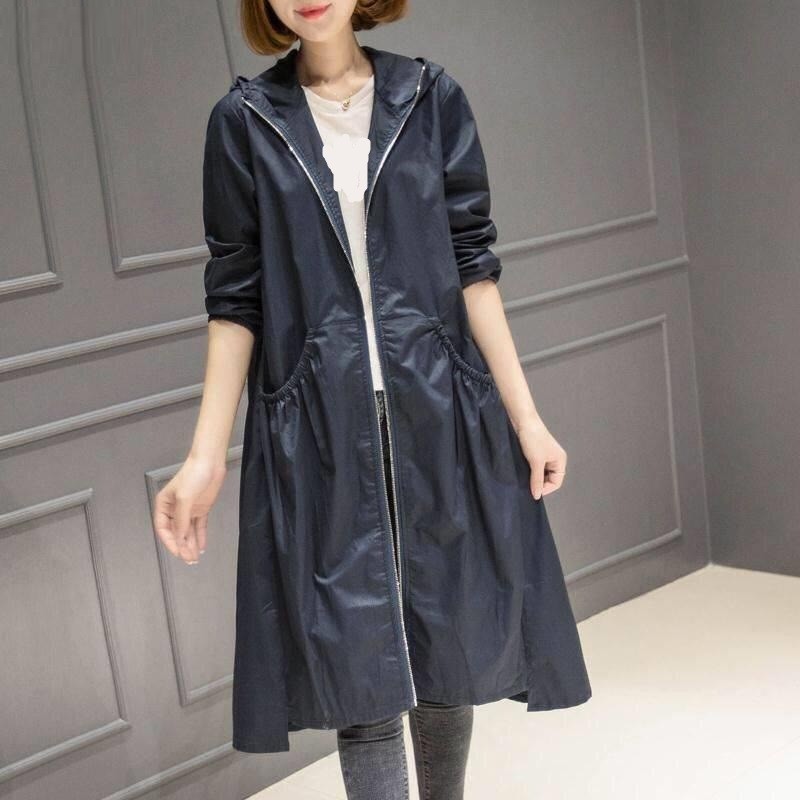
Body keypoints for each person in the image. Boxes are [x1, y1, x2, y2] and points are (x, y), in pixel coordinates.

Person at [153, 1, 592, 798]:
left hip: (440, 410)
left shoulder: (429, 98)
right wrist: (205, 456)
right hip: (319, 424)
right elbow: (235, 300)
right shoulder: (245, 121)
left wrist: (527, 419)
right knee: (361, 674)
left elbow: (473, 267)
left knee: (450, 647)